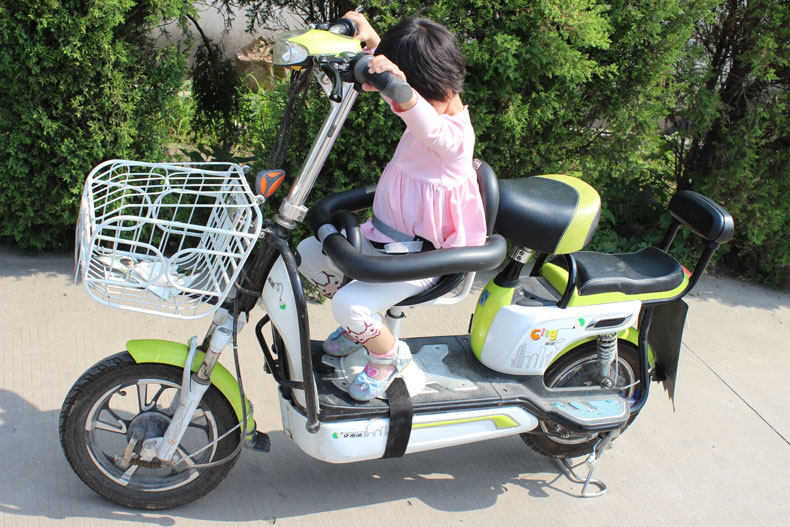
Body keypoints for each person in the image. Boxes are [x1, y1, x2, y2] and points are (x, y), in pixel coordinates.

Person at [297, 12, 486, 401]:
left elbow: (410, 104)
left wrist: (395, 83)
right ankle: (361, 329)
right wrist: (370, 42)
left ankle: (387, 355)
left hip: (422, 259)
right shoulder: (429, 108)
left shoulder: (451, 137)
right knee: (308, 254)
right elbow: (403, 93)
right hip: (383, 242)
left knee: (350, 305)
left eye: (406, 87)